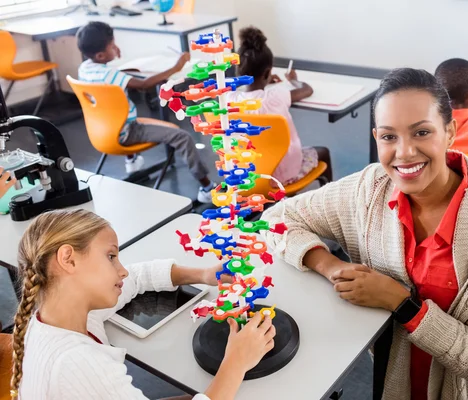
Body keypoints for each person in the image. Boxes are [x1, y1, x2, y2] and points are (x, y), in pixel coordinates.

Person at [262, 68, 468, 399]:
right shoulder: (368, 189)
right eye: (389, 136)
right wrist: (332, 266)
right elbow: (275, 219)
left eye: (421, 133)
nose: (404, 153)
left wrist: (402, 304)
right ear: (376, 138)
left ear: (450, 131)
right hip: (395, 381)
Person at [10, 209, 275, 399]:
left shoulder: (55, 314)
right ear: (68, 259)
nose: (122, 270)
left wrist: (203, 275)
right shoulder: (80, 365)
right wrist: (236, 362)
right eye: (111, 256)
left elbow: (137, 277)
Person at [76, 21, 216, 203]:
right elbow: (144, 85)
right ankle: (207, 187)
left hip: (102, 131)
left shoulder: (84, 69)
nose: (116, 48)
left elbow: (108, 75)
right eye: (112, 45)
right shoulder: (112, 75)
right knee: (182, 137)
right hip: (127, 132)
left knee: (121, 111)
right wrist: (177, 67)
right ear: (101, 55)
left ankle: (132, 163)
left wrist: (115, 64)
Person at [225, 26, 333, 184]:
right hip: (282, 174)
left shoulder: (229, 99)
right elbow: (307, 90)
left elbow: (233, 87)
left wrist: (259, 78)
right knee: (323, 152)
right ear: (268, 72)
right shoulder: (276, 96)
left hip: (247, 174)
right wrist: (293, 80)